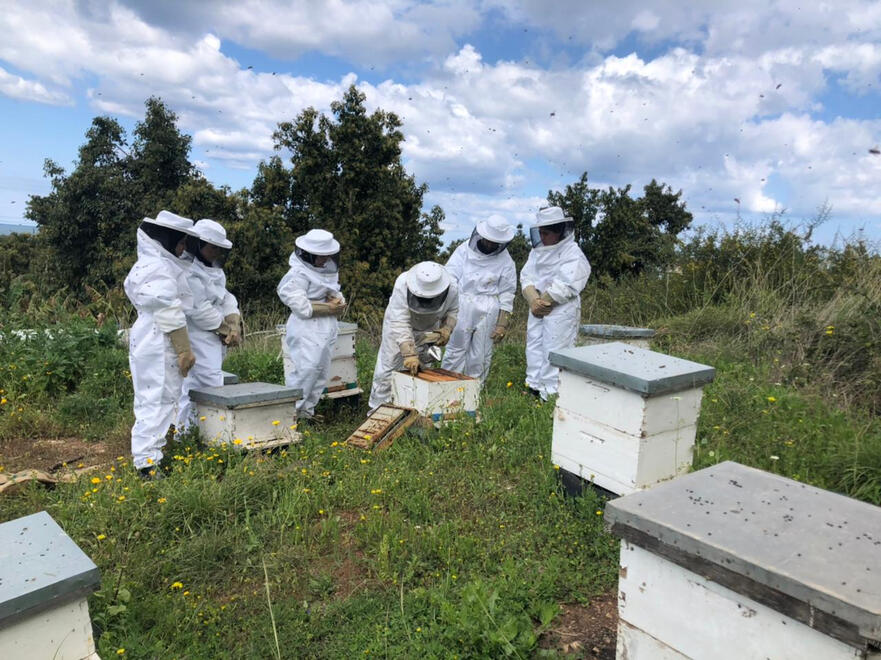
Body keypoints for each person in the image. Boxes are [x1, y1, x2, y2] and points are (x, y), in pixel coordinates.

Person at [124, 210, 197, 479]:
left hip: (150, 335)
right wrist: (184, 349)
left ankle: (149, 457)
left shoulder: (148, 264)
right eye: (181, 242)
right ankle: (147, 465)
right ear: (167, 239)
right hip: (159, 338)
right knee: (157, 399)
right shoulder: (159, 267)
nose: (183, 249)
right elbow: (167, 308)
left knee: (152, 398)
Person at [176, 218, 241, 430]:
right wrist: (226, 329)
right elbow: (199, 309)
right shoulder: (188, 270)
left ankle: (192, 432)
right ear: (198, 244)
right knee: (208, 384)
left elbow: (225, 296)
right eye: (213, 247)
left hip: (212, 336)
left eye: (219, 248)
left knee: (198, 385)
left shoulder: (213, 268)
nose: (216, 253)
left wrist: (234, 320)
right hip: (197, 336)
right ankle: (201, 432)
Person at [520, 206, 591, 400]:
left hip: (561, 308)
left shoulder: (572, 252)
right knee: (534, 345)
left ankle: (550, 394)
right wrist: (532, 298)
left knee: (554, 348)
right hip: (536, 306)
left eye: (546, 233)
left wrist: (543, 301)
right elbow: (526, 275)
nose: (542, 237)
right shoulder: (536, 252)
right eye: (540, 233)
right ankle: (533, 387)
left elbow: (569, 282)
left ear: (559, 231)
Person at [369, 261, 459, 411]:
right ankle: (377, 411)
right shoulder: (402, 284)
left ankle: (413, 411)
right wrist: (409, 354)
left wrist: (447, 328)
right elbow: (400, 322)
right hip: (398, 325)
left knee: (422, 372)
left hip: (429, 328)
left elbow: (453, 311)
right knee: (388, 370)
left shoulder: (452, 288)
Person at [277, 229, 346, 420]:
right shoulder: (297, 273)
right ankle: (291, 414)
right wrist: (329, 307)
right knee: (306, 371)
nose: (326, 260)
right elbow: (300, 306)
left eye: (328, 256)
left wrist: (338, 300)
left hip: (327, 326)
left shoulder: (326, 271)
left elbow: (333, 291)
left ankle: (307, 413)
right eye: (322, 256)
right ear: (308, 255)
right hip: (306, 328)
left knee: (321, 372)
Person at [441, 215, 516, 383]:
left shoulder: (506, 260)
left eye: (495, 242)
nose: (490, 244)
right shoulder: (463, 250)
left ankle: (473, 392)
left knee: (480, 355)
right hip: (462, 303)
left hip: (489, 307)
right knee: (455, 350)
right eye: (488, 240)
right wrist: (446, 310)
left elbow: (507, 292)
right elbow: (450, 277)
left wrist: (502, 324)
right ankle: (446, 389)